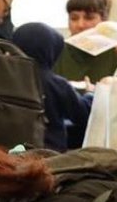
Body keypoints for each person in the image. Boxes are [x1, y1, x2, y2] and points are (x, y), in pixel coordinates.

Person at [8, 22, 90, 151]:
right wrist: (90, 95)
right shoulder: (56, 84)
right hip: (49, 154)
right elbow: (82, 114)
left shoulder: (4, 77)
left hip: (12, 150)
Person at [53, 0, 117, 84]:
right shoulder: (56, 52)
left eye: (89, 18)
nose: (80, 25)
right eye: (74, 18)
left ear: (104, 20)